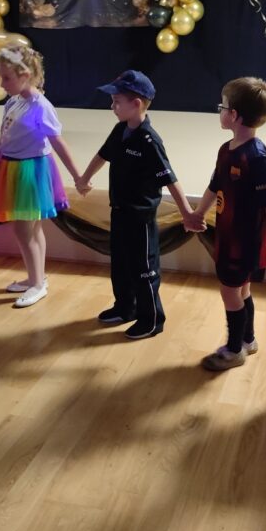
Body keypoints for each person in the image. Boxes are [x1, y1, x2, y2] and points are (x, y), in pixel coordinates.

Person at [75, 70, 198, 339]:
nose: (112, 106)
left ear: (137, 104)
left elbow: (170, 178)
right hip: (119, 210)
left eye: (117, 101)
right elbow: (102, 154)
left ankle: (151, 319)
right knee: (120, 265)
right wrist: (84, 178)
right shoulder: (120, 130)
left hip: (140, 218)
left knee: (144, 269)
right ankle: (125, 307)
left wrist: (187, 213)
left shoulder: (149, 140)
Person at [186, 77, 266, 371]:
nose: (220, 112)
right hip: (228, 234)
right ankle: (248, 339)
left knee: (230, 291)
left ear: (233, 115)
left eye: (222, 107)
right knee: (242, 289)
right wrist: (198, 213)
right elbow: (215, 185)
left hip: (244, 240)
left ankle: (234, 350)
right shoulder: (226, 149)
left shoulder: (255, 157)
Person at [0, 46, 82, 308]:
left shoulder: (40, 106)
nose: (2, 83)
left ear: (24, 75)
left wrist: (78, 176)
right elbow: (3, 138)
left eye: (6, 78)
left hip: (30, 172)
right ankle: (36, 277)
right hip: (10, 168)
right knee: (30, 230)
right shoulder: (14, 102)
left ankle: (37, 284)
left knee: (25, 230)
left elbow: (58, 143)